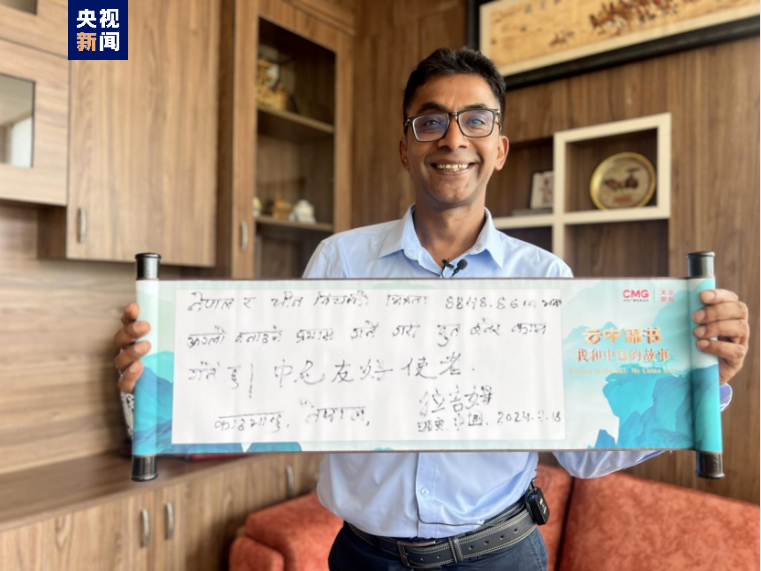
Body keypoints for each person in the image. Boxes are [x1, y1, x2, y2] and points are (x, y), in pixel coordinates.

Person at [114, 48, 750, 570]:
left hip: (501, 557)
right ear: (405, 147)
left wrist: (697, 383)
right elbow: (279, 392)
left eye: (476, 121)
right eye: (430, 122)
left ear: (499, 147)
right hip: (364, 558)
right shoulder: (340, 261)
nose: (453, 139)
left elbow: (585, 452)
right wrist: (166, 379)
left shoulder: (547, 280)